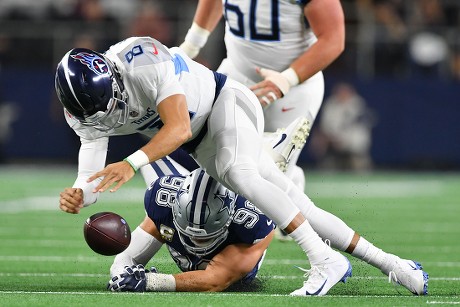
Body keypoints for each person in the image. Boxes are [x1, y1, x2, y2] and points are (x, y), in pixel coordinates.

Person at [54, 36, 426, 296]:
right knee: (298, 203)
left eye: (108, 102)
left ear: (111, 75)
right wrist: (79, 194)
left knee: (240, 174)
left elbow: (179, 127)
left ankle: (323, 258)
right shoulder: (83, 114)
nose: (107, 115)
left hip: (225, 101)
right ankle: (395, 265)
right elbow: (89, 177)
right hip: (203, 144)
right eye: (95, 112)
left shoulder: (142, 59)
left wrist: (132, 164)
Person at [179, 0, 345, 190]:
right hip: (236, 73)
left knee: (269, 184)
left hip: (293, 89)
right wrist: (190, 46)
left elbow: (334, 39)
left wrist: (286, 80)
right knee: (213, 166)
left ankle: (291, 183)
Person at [107, 169, 275, 292]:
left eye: (205, 237)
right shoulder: (163, 201)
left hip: (231, 272)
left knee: (270, 195)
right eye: (189, 234)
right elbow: (128, 257)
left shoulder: (251, 221)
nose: (196, 241)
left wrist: (150, 281)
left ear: (230, 216)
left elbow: (214, 280)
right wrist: (122, 274)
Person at [311, 82, 374, 171]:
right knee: (319, 139)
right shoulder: (331, 105)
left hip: (353, 146)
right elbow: (326, 127)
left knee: (360, 170)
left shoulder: (357, 104)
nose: (343, 94)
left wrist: (343, 140)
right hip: (333, 144)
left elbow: (359, 132)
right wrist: (331, 139)